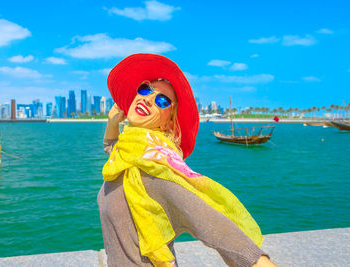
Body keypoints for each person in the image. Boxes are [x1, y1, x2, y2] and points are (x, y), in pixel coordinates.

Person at [98, 53, 277, 267]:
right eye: (145, 89)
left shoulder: (155, 171)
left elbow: (211, 221)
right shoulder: (126, 153)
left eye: (162, 101)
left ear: (166, 124)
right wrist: (113, 122)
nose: (147, 98)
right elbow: (111, 146)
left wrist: (259, 262)